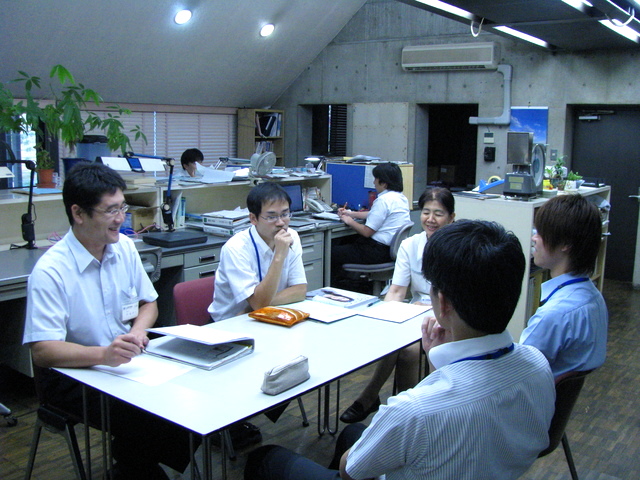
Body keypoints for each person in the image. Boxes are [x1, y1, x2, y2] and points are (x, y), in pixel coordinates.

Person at [245, 220, 556, 480]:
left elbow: (349, 470)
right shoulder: (538, 365)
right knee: (352, 434)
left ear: (442, 303)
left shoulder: (414, 409)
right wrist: (437, 369)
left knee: (266, 459)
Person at [22, 162, 193, 479]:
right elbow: (43, 351)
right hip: (72, 372)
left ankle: (134, 461)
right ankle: (136, 465)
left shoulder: (123, 248)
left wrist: (138, 332)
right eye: (111, 210)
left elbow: (149, 304)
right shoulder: (51, 271)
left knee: (187, 390)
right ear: (78, 213)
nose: (121, 218)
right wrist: (104, 355)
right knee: (147, 413)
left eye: (123, 207)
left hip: (124, 358)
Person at [340, 186, 455, 423]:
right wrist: (386, 317)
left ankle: (392, 407)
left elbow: (455, 299)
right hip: (413, 312)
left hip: (447, 316)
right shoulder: (410, 245)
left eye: (438, 214)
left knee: (408, 351)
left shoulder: (458, 248)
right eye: (426, 212)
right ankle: (399, 409)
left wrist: (424, 309)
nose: (430, 219)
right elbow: (396, 290)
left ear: (451, 218)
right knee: (396, 340)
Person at [521, 194, 608, 378]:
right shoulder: (594, 296)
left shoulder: (554, 315)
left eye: (540, 233)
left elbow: (517, 375)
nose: (534, 238)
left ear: (566, 244)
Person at [208, 181, 307, 321]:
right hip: (230, 323)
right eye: (271, 217)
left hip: (268, 314)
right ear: (253, 219)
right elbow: (259, 304)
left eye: (285, 214)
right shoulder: (236, 248)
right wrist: (279, 256)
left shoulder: (292, 236)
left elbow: (300, 290)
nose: (280, 223)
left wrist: (252, 307)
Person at [331, 162, 411, 288]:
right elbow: (375, 214)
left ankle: (337, 289)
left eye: (376, 179)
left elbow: (366, 232)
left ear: (384, 183)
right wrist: (351, 214)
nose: (374, 182)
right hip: (390, 251)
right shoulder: (401, 198)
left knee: (330, 252)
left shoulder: (383, 200)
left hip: (376, 252)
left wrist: (349, 221)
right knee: (347, 241)